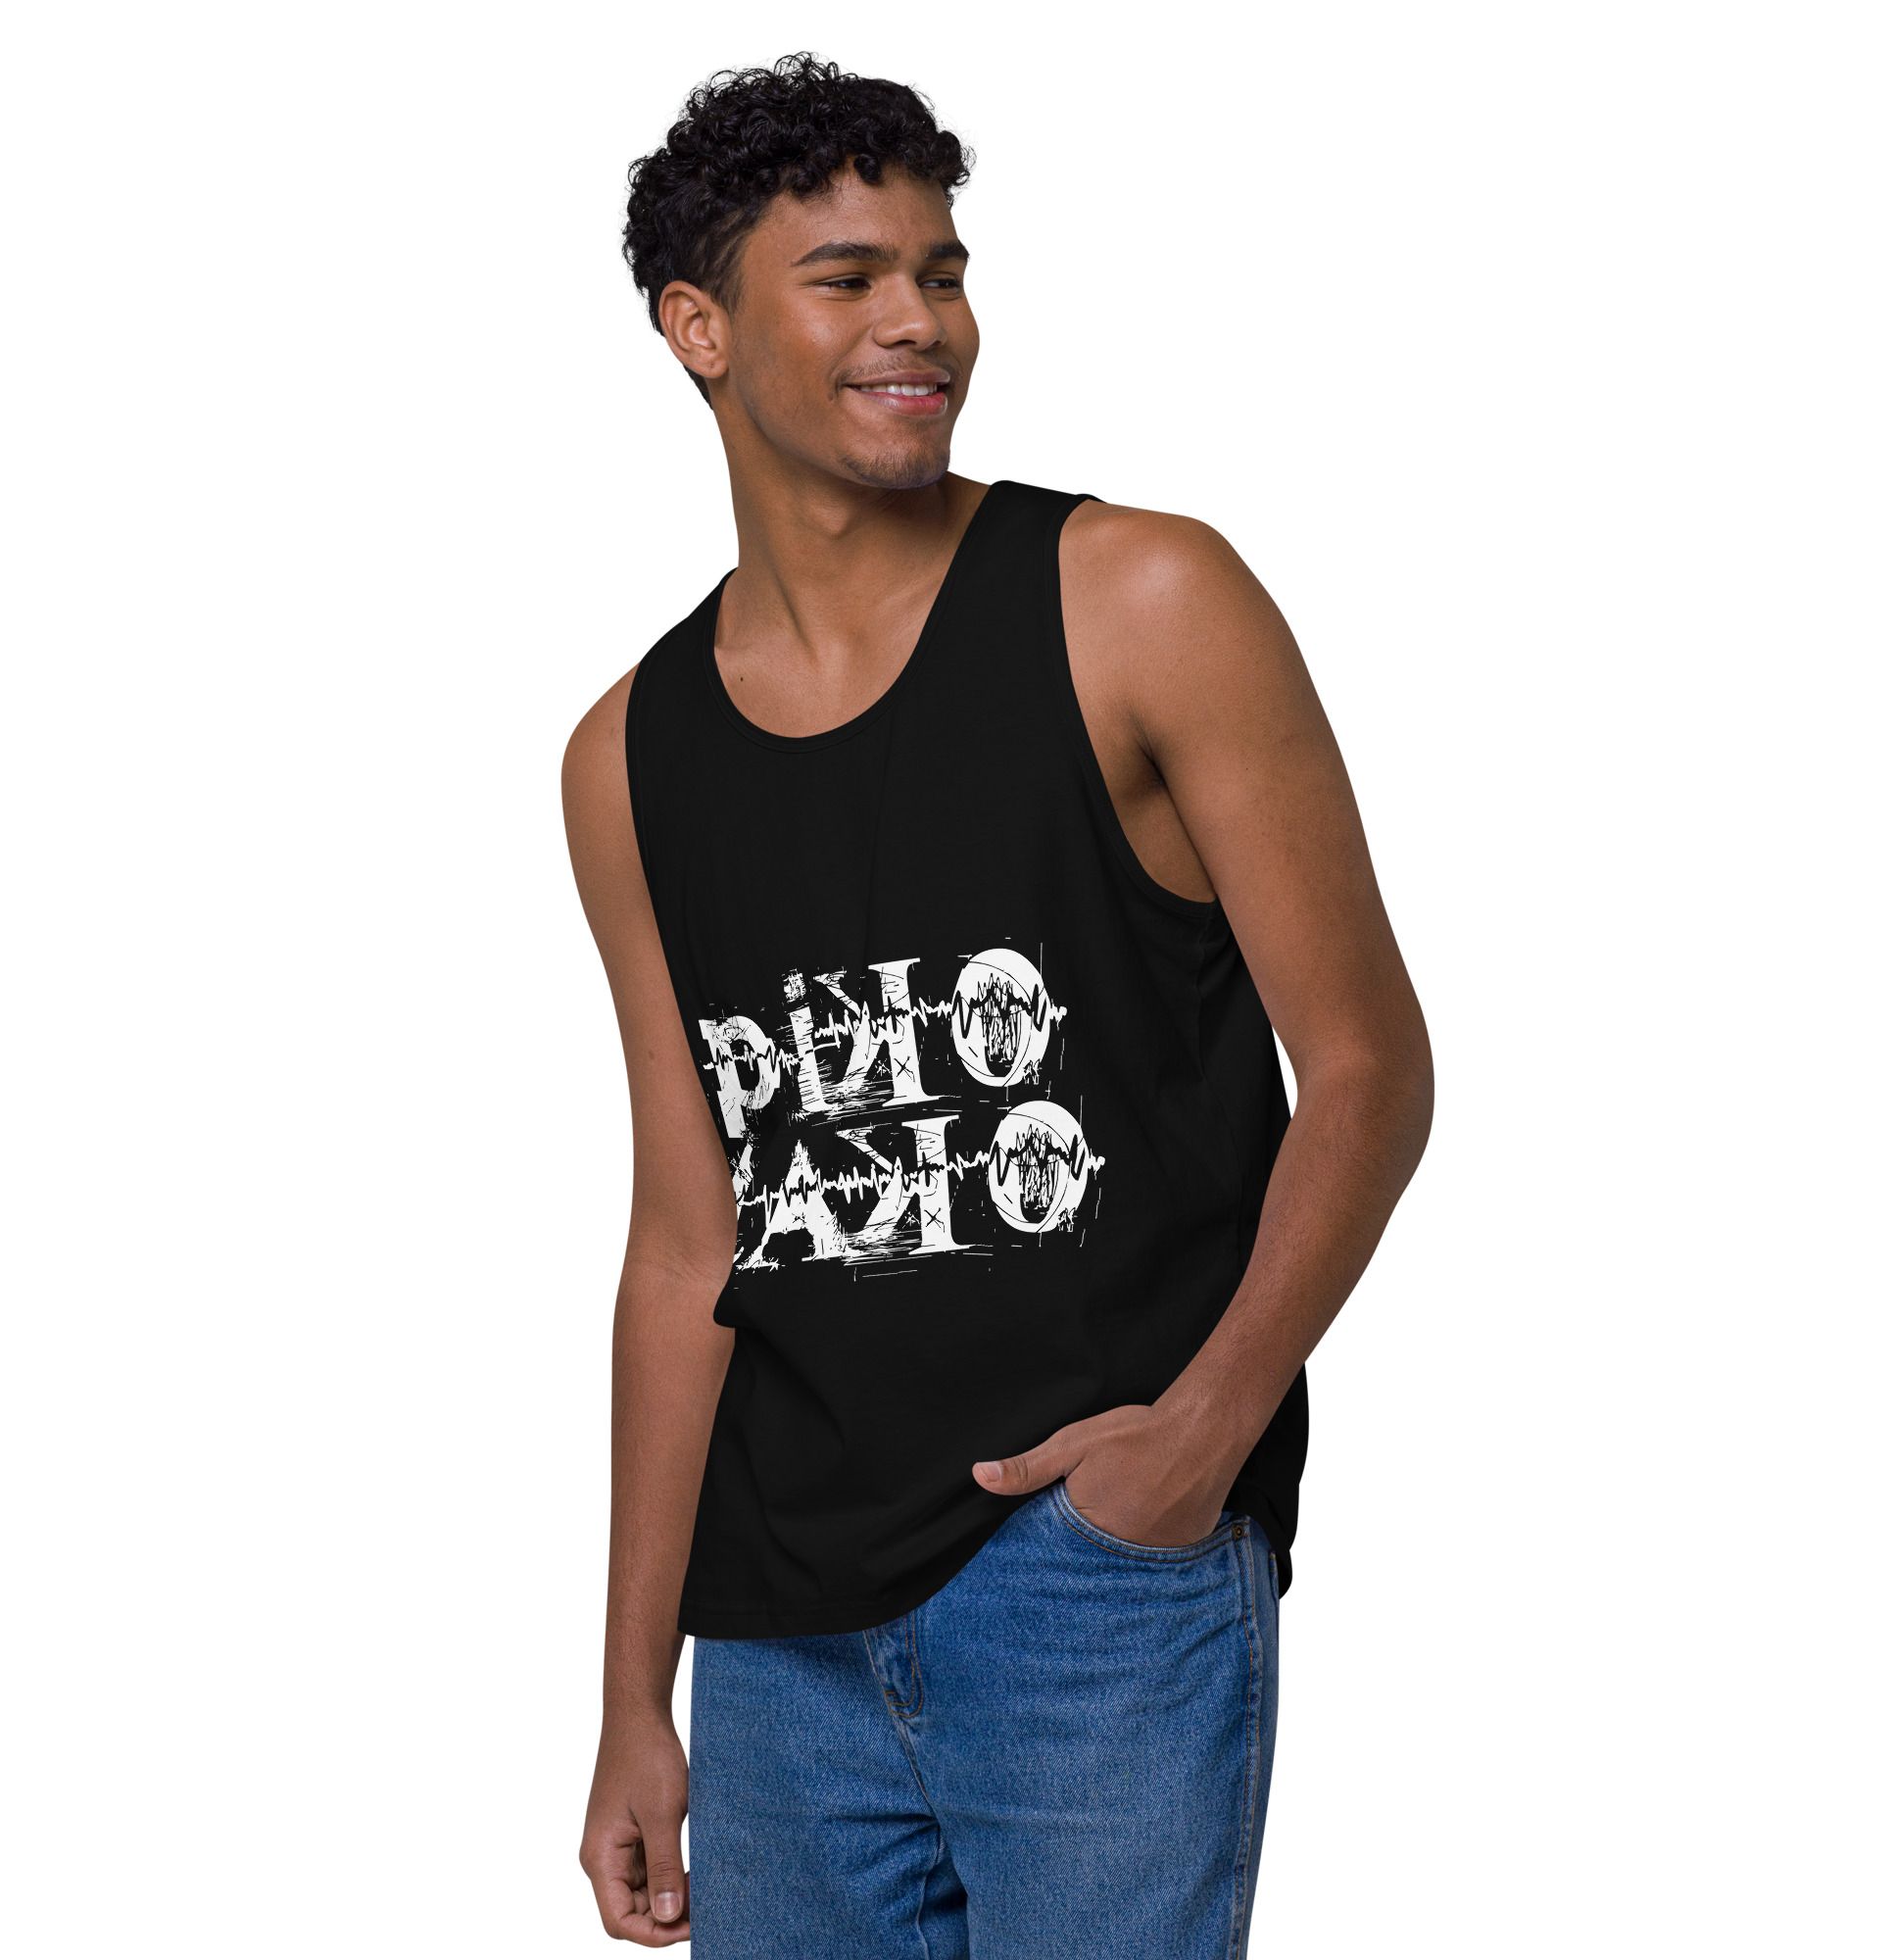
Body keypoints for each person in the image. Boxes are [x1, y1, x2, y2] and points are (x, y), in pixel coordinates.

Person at [563, 53, 1433, 1957]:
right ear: (697, 327)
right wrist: (635, 1690)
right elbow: (689, 1237)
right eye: (850, 277)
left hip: (1089, 1580)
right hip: (774, 1634)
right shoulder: (627, 755)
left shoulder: (1138, 598)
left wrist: (1197, 1442)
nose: (921, 322)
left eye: (941, 272)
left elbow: (1369, 1067)